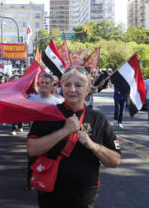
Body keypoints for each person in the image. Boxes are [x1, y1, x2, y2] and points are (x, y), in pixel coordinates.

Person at [27, 66, 121, 207]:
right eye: (67, 85)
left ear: (87, 88)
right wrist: (63, 132)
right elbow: (32, 149)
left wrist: (93, 145)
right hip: (50, 195)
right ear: (61, 87)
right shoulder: (48, 114)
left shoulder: (99, 119)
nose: (72, 90)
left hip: (83, 198)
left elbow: (114, 161)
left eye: (78, 85)